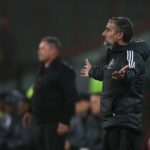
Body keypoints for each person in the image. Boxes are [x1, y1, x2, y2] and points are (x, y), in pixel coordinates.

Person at [81, 17, 150, 150]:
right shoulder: (115, 56)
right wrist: (92, 71)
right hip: (112, 122)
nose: (103, 33)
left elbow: (132, 71)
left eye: (108, 29)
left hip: (125, 124)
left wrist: (124, 75)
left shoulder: (131, 54)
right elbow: (106, 71)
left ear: (119, 35)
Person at [24, 36, 78, 150]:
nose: (38, 51)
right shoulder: (41, 69)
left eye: (42, 48)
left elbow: (70, 97)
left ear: (53, 51)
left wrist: (65, 121)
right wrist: (29, 111)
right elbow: (38, 92)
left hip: (55, 124)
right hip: (39, 123)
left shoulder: (64, 70)